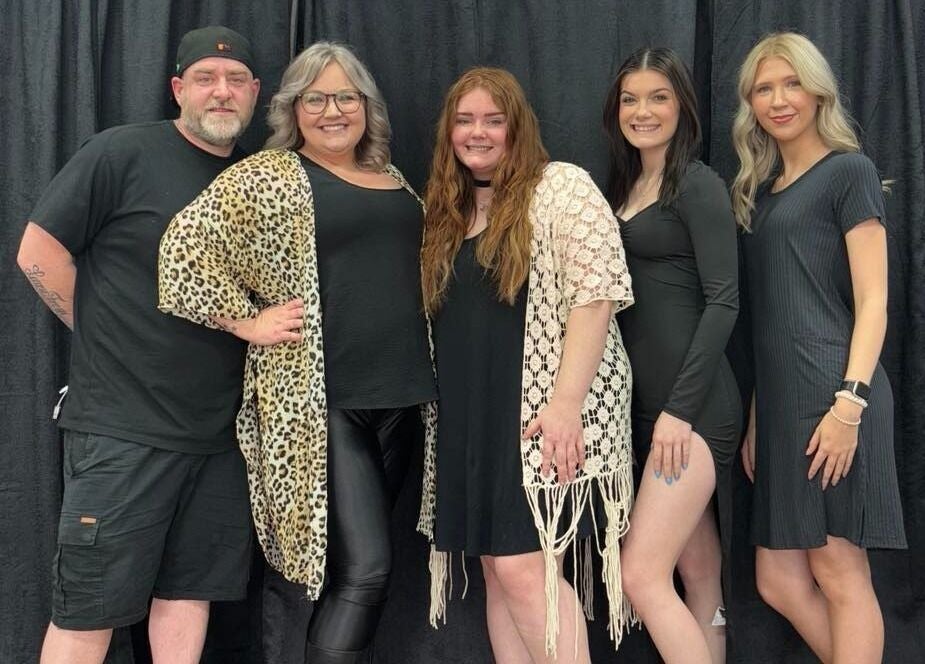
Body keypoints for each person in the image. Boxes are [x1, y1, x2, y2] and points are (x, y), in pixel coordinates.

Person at [157, 42, 437, 663]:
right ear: (293, 108)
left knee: (352, 576)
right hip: (322, 406)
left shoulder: (393, 179)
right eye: (316, 98)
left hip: (401, 399)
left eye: (346, 97)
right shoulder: (269, 175)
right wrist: (247, 321)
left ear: (367, 107)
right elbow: (181, 254)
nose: (332, 110)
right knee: (365, 573)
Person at [15, 26, 260, 664]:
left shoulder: (260, 180)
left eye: (236, 80)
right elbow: (37, 250)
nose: (222, 91)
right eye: (206, 78)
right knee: (87, 609)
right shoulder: (122, 152)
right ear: (178, 88)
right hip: (123, 431)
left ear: (256, 93)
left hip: (218, 436)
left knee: (186, 598)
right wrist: (100, 328)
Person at [418, 67, 635, 662]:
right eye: (465, 120)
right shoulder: (448, 208)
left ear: (518, 126)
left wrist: (565, 406)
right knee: (495, 568)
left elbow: (598, 296)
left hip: (538, 416)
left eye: (493, 120)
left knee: (522, 570)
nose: (478, 133)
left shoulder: (560, 185)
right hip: (472, 418)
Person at [732, 32, 906, 663]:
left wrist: (849, 407)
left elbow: (875, 303)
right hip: (782, 406)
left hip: (835, 396)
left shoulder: (848, 172)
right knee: (777, 580)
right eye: (763, 88)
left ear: (818, 90)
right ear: (749, 103)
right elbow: (770, 316)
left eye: (791, 83)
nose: (779, 99)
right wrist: (757, 414)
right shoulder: (766, 190)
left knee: (839, 574)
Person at [600, 48, 740, 664]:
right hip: (649, 407)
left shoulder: (698, 184)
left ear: (681, 104)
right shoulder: (626, 184)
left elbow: (725, 303)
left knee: (640, 576)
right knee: (699, 572)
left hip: (694, 411)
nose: (643, 111)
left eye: (658, 97)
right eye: (631, 98)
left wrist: (679, 412)